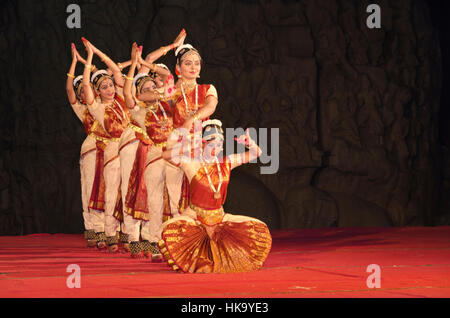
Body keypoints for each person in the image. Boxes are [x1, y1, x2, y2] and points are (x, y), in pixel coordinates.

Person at [158, 119, 272, 273]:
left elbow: (256, 153)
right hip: (195, 217)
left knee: (259, 229)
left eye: (219, 145)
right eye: (212, 145)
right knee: (169, 229)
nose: (216, 149)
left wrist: (249, 143)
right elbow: (165, 155)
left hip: (220, 218)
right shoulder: (190, 163)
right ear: (204, 143)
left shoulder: (226, 163)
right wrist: (190, 145)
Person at [120, 36, 184, 259]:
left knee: (176, 201)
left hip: (174, 153)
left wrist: (147, 63)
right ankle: (154, 243)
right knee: (154, 201)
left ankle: (178, 242)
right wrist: (132, 64)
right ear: (140, 93)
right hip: (155, 154)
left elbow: (166, 76)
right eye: (145, 88)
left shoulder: (168, 102)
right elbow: (128, 93)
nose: (152, 89)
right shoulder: (139, 112)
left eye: (153, 85)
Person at [81, 38, 131, 252]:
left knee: (129, 194)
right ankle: (108, 235)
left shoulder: (122, 101)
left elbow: (116, 72)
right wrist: (88, 60)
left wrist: (97, 50)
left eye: (110, 85)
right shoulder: (97, 109)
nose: (110, 89)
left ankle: (130, 237)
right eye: (104, 87)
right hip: (110, 151)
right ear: (97, 91)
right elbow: (84, 85)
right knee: (110, 194)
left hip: (130, 150)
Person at [66, 43, 110, 248]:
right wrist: (75, 63)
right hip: (92, 149)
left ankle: (112, 230)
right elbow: (69, 89)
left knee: (110, 189)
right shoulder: (83, 110)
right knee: (91, 188)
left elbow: (109, 74)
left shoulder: (104, 104)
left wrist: (89, 61)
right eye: (81, 91)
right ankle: (94, 228)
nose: (84, 94)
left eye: (88, 90)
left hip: (110, 147)